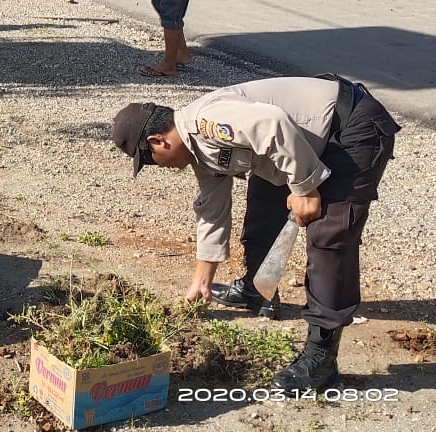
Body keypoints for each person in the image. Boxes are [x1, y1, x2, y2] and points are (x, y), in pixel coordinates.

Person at [112, 74, 398, 391]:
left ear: (157, 142)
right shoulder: (198, 151)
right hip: (305, 140)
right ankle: (257, 289)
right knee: (264, 200)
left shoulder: (208, 121)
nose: (161, 168)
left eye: (151, 162)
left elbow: (272, 123)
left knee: (329, 236)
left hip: (349, 129)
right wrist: (201, 281)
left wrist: (305, 186)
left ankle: (321, 361)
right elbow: (211, 211)